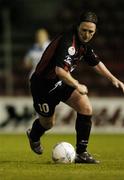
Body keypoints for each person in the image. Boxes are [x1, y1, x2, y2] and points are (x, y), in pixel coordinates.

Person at [26, 11, 124, 164]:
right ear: (77, 27)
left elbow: (95, 62)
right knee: (48, 123)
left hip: (60, 83)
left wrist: (113, 79)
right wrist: (77, 84)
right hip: (42, 86)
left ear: (95, 31)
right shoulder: (68, 42)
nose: (86, 34)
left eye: (90, 31)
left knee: (85, 108)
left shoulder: (83, 44)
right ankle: (33, 135)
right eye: (83, 30)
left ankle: (81, 153)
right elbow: (60, 71)